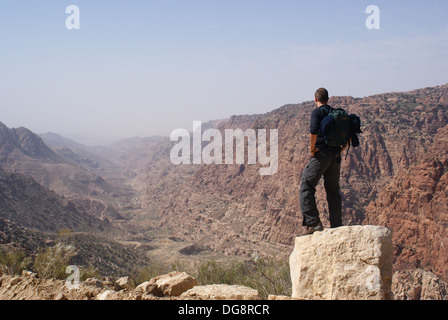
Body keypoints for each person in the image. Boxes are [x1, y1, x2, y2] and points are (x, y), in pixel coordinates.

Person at [299, 88, 346, 235]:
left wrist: (312, 149)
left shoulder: (317, 112)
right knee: (333, 190)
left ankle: (313, 223)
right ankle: (337, 226)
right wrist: (341, 150)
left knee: (306, 185)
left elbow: (313, 131)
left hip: (322, 155)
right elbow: (349, 134)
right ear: (328, 99)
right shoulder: (335, 113)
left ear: (315, 99)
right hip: (335, 156)